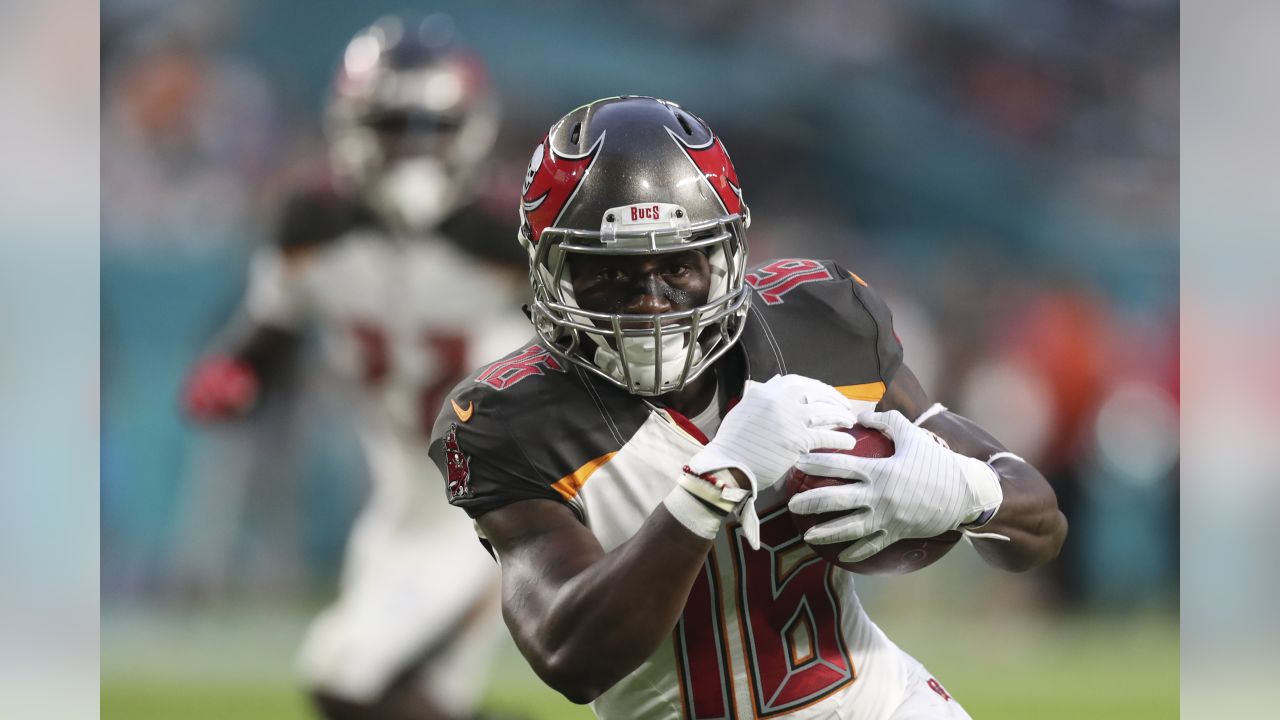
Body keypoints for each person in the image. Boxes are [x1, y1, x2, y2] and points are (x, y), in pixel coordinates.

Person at [428, 96, 1068, 720]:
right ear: (551, 269)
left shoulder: (818, 325)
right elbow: (571, 657)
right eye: (611, 270)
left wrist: (966, 491)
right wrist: (711, 487)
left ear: (725, 257)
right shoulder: (509, 418)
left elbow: (1040, 529)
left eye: (677, 266)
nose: (651, 300)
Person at [183, 15, 529, 720]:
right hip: (399, 490)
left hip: (498, 493)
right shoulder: (312, 224)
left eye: (428, 127)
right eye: (393, 125)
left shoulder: (510, 236)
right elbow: (270, 333)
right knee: (407, 700)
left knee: (345, 678)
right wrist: (238, 374)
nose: (410, 148)